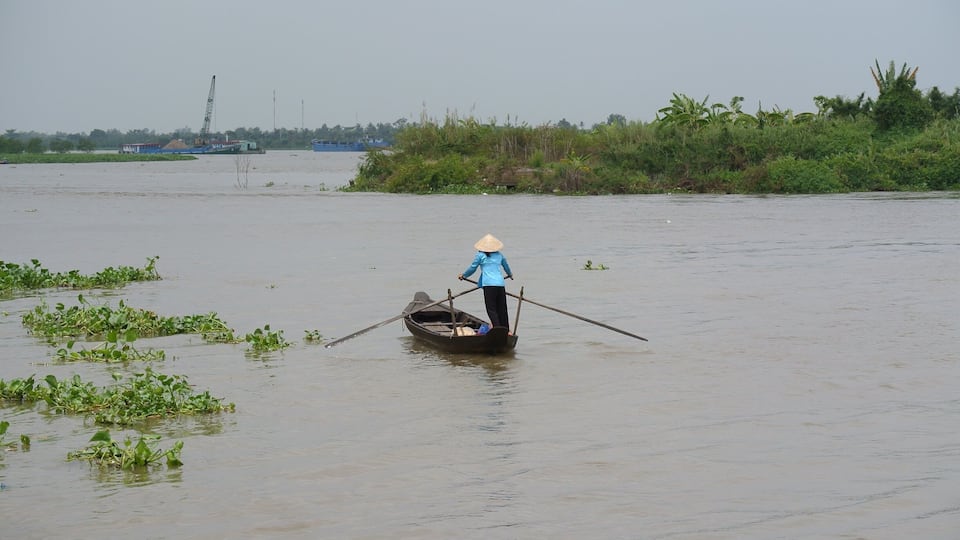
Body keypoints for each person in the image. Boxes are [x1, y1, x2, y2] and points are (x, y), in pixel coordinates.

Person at [459, 234, 513, 332]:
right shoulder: (499, 255)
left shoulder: (480, 255)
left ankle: (497, 330)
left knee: (491, 309)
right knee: (502, 308)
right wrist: (510, 274)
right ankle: (506, 330)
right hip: (500, 285)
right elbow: (506, 267)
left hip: (489, 285)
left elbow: (472, 268)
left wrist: (463, 276)